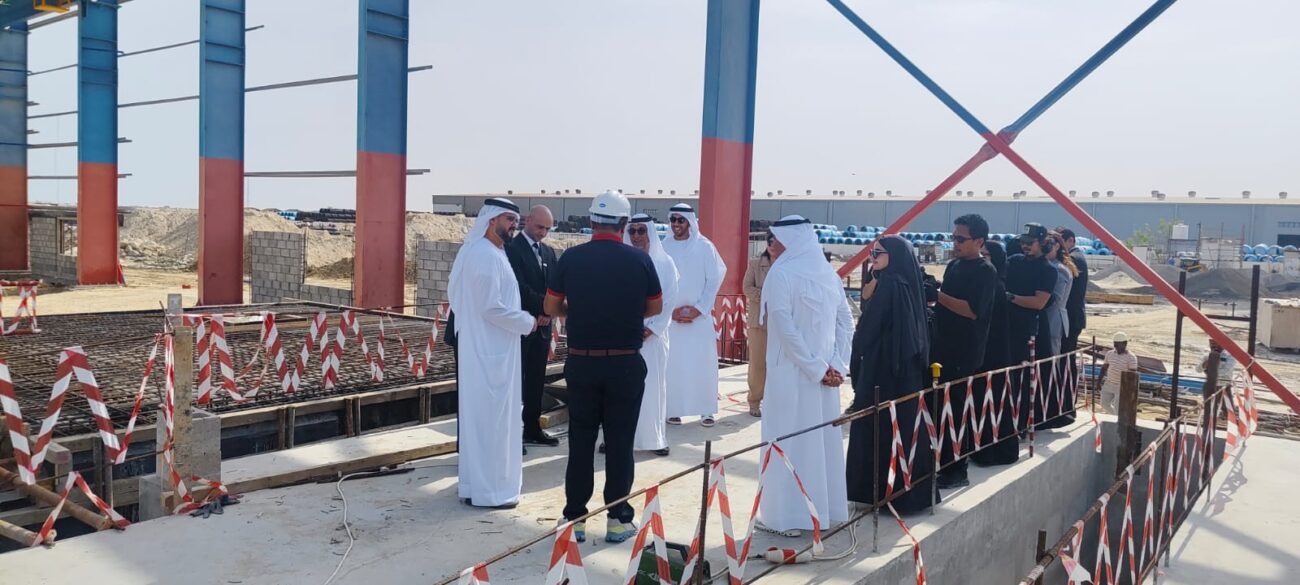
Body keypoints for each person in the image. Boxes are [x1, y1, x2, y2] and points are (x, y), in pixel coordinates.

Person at [545, 190, 663, 544]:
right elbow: (654, 308)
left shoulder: (571, 257)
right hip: (625, 363)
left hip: (582, 362)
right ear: (624, 224)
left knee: (580, 441)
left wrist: (576, 312)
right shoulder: (639, 261)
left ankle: (575, 519)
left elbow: (551, 307)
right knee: (620, 441)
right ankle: (617, 519)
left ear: (592, 221)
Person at [756, 216, 853, 535]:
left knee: (793, 441)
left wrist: (826, 367)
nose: (771, 244)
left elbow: (785, 327)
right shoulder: (827, 273)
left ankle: (785, 518)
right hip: (822, 377)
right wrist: (835, 366)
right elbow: (846, 323)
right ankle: (816, 513)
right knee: (808, 443)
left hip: (799, 375)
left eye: (775, 238)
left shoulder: (782, 273)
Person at [448, 198, 538, 509]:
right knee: (492, 424)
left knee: (486, 423)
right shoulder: (484, 255)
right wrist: (527, 322)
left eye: (516, 220)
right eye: (509, 220)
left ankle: (477, 488)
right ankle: (493, 492)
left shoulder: (489, 252)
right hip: (490, 354)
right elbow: (491, 307)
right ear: (491, 221)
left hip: (491, 351)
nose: (515, 225)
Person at [846, 235, 937, 515]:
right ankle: (905, 494)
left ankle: (878, 493)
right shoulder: (906, 283)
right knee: (904, 429)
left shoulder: (890, 284)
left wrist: (856, 357)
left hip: (882, 371)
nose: (873, 257)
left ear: (893, 256)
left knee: (881, 429)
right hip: (902, 372)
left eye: (878, 253)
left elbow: (870, 328)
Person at [931, 215, 997, 489]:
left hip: (964, 351)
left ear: (979, 241)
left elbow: (972, 310)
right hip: (943, 345)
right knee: (940, 409)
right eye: (954, 238)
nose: (955, 243)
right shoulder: (955, 266)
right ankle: (941, 461)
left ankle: (957, 469)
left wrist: (938, 296)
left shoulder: (985, 271)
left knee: (956, 410)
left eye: (961, 239)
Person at [662, 203, 727, 427]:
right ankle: (673, 410)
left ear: (690, 221)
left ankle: (706, 410)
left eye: (681, 220)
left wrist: (699, 308)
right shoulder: (665, 246)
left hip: (699, 318)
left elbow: (715, 278)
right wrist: (671, 311)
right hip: (672, 318)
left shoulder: (705, 246)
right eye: (673, 220)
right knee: (673, 366)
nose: (676, 224)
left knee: (703, 364)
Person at [505, 205, 560, 447]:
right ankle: (511, 433)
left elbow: (555, 287)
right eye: (539, 227)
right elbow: (518, 286)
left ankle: (532, 427)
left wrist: (548, 312)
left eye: (548, 229)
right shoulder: (511, 249)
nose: (543, 233)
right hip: (520, 325)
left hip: (542, 327)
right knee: (516, 381)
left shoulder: (548, 253)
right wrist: (542, 309)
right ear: (527, 221)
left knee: (536, 380)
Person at [625, 214, 678, 457]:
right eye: (632, 230)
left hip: (653, 338)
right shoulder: (620, 260)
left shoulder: (664, 263)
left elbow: (668, 300)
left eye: (641, 230)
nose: (636, 236)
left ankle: (654, 438)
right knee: (621, 391)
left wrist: (651, 328)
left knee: (652, 388)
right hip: (624, 337)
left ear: (650, 233)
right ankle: (619, 438)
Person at [1004, 223, 1057, 433]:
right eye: (1023, 242)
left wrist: (1011, 298)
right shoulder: (1014, 262)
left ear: (1042, 243)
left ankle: (1023, 422)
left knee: (1025, 379)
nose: (1025, 246)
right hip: (1008, 324)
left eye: (1029, 243)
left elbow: (1038, 302)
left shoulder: (1047, 270)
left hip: (1029, 328)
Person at [971, 240, 1020, 466]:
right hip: (986, 351)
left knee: (994, 402)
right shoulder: (990, 282)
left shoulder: (996, 285)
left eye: (986, 255)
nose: (982, 258)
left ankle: (994, 451)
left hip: (995, 353)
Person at [1037, 231, 1079, 429]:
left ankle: (1053, 409)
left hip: (1054, 320)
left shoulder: (1060, 270)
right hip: (1049, 319)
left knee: (1052, 365)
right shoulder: (1050, 266)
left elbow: (1053, 299)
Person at [1056, 228, 1090, 426]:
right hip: (1073, 317)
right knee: (1067, 362)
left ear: (1070, 240)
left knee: (1065, 364)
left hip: (1069, 317)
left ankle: (1066, 408)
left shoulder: (1074, 259)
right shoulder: (1077, 256)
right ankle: (1066, 407)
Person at [742, 233, 777, 417]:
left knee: (778, 363)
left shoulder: (788, 264)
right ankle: (754, 401)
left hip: (781, 322)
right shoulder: (755, 264)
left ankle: (775, 399)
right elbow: (747, 288)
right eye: (770, 241)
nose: (773, 245)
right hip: (759, 322)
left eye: (776, 242)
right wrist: (767, 296)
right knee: (757, 363)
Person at [1098, 332, 1138, 414]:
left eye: (1117, 345)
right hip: (1109, 383)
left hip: (1121, 386)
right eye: (1114, 345)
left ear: (1125, 344)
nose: (1115, 347)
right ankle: (1115, 417)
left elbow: (1132, 376)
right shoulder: (1109, 354)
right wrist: (1098, 381)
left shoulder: (1131, 357)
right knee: (1104, 404)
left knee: (1118, 408)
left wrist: (1129, 390)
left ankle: (1117, 420)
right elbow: (1104, 368)